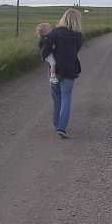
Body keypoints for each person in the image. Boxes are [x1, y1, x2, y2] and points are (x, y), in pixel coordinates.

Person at [41, 8, 83, 138]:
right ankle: (61, 127)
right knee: (66, 98)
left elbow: (45, 51)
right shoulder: (78, 36)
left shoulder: (55, 33)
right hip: (70, 71)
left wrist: (51, 59)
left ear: (64, 18)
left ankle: (56, 124)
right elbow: (75, 51)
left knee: (56, 98)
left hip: (55, 71)